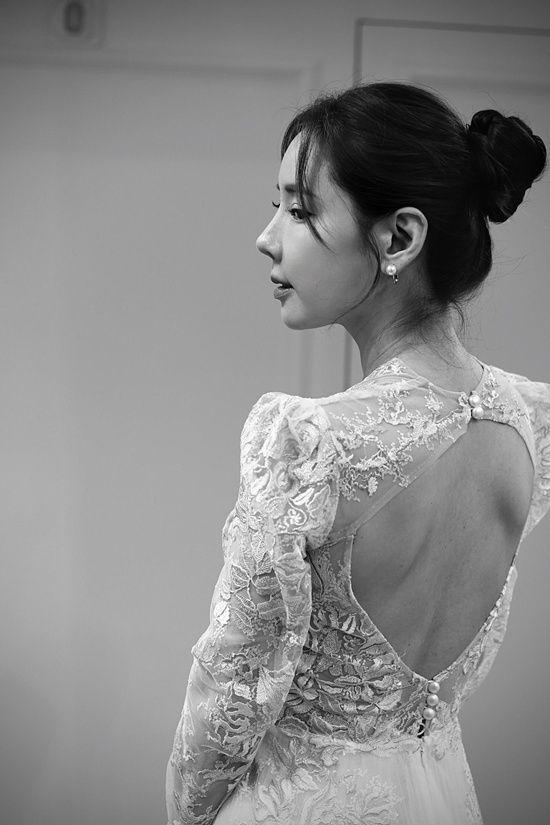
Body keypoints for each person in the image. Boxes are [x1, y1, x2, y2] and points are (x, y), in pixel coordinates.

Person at [165, 82, 550, 824]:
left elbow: (228, 701)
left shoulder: (311, 444)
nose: (267, 237)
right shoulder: (530, 423)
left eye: (299, 210)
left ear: (398, 238)